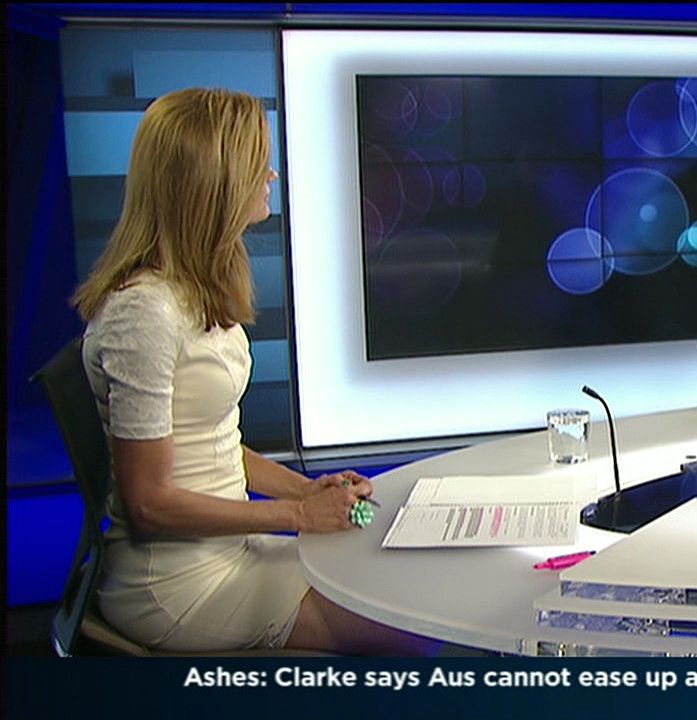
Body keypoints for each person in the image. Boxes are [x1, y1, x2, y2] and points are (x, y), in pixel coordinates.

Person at [74, 88, 431, 655]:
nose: (270, 174)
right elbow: (148, 503)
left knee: (399, 583)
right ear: (212, 181)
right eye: (255, 162)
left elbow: (212, 444)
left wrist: (308, 490)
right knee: (410, 629)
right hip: (177, 584)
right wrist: (296, 515)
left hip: (232, 549)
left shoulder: (193, 289)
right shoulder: (145, 314)